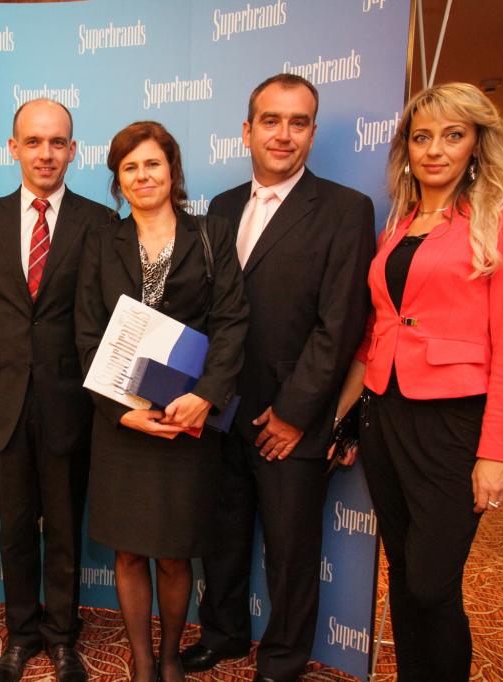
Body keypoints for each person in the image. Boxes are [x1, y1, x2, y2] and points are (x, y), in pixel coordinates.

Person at [330, 82, 503, 682]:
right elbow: (378, 332)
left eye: (453, 135)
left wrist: (498, 452)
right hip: (384, 415)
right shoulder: (400, 223)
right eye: (422, 137)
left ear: (476, 143)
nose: (435, 150)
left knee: (431, 583)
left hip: (454, 423)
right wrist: (343, 415)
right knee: (402, 573)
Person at [181, 73, 376, 682]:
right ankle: (224, 633)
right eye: (271, 120)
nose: (283, 134)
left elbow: (339, 324)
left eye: (298, 122)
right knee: (223, 535)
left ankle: (284, 659)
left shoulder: (346, 209)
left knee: (291, 551)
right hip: (221, 410)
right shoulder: (221, 207)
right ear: (247, 131)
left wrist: (294, 414)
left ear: (312, 133)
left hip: (293, 416)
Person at [75, 121, 249, 682]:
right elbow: (86, 333)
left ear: (172, 170)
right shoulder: (101, 241)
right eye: (130, 167)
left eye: (153, 163)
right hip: (122, 423)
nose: (142, 175)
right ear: (118, 180)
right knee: (129, 552)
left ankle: (171, 656)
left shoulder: (211, 233)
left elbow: (231, 322)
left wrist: (205, 396)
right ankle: (142, 660)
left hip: (186, 420)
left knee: (175, 554)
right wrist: (120, 411)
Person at [0, 98, 114, 682]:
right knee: (15, 529)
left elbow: (104, 311)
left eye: (57, 142)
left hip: (70, 402)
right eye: (33, 141)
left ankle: (63, 637)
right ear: (13, 148)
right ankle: (21, 635)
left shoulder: (100, 222)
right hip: (4, 403)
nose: (45, 153)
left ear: (73, 150)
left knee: (66, 530)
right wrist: (8, 361)